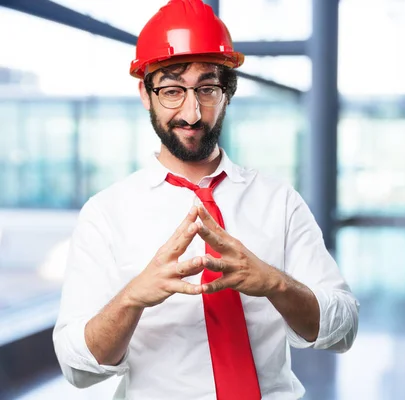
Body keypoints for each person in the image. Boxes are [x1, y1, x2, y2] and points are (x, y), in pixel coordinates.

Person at [52, 1, 359, 399]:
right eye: (172, 90)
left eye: (208, 89)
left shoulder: (278, 200)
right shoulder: (105, 214)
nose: (193, 113)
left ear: (227, 93)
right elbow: (77, 368)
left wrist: (274, 283)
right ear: (145, 94)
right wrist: (132, 297)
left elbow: (344, 329)